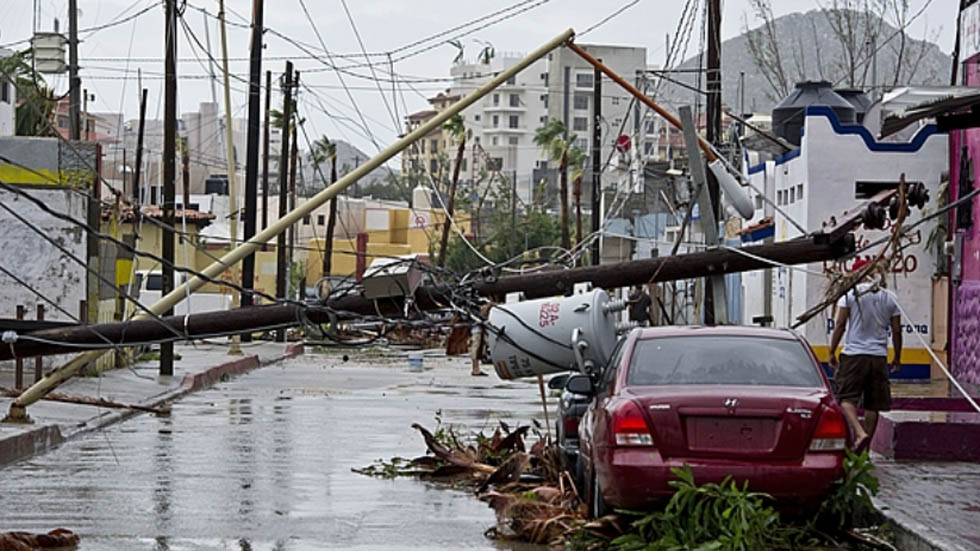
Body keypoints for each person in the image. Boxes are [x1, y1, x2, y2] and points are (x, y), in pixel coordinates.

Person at [828, 259, 902, 454]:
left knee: (845, 399)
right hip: (878, 357)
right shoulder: (889, 296)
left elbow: (840, 325)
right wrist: (897, 357)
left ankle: (859, 433)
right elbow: (896, 330)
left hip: (853, 355)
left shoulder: (850, 295)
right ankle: (865, 450)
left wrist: (831, 351)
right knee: (873, 404)